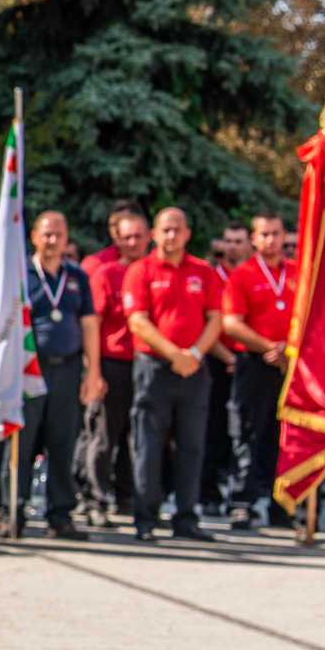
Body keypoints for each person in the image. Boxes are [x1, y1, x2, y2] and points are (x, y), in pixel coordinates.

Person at [0, 211, 104, 540]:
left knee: (63, 442)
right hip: (29, 367)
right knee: (22, 441)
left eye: (59, 234)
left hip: (68, 369)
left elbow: (89, 324)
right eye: (47, 234)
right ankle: (12, 511)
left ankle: (60, 515)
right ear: (34, 236)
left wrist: (93, 372)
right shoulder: (20, 273)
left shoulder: (77, 275)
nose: (53, 240)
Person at [123, 206, 224, 542]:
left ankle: (186, 517)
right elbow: (138, 320)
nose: (171, 235)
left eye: (177, 229)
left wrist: (194, 354)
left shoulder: (203, 271)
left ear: (187, 234)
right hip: (154, 367)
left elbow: (215, 318)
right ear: (155, 233)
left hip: (194, 369)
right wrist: (174, 354)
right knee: (148, 444)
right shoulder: (141, 271)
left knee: (192, 446)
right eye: (165, 229)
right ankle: (146, 518)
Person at [75, 203, 150, 525]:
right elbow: (92, 325)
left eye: (138, 236)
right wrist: (94, 371)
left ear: (150, 236)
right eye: (126, 237)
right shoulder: (105, 273)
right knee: (103, 437)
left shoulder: (153, 272)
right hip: (112, 363)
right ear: (117, 240)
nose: (132, 242)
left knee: (141, 438)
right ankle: (95, 500)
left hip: (148, 365)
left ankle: (131, 498)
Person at [223, 210, 293, 531]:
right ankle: (242, 502)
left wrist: (287, 349)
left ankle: (284, 506)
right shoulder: (243, 275)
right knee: (246, 434)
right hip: (254, 364)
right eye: (264, 234)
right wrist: (270, 348)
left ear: (284, 236)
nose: (270, 240)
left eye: (275, 233)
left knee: (287, 436)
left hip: (292, 365)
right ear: (254, 238)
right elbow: (232, 323)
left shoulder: (299, 273)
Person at [198, 223, 249, 516]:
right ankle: (208, 492)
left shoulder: (249, 275)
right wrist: (227, 356)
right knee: (212, 428)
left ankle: (242, 491)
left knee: (242, 430)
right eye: (226, 242)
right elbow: (207, 322)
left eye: (237, 241)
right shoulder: (211, 276)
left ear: (248, 245)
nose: (230, 247)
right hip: (215, 359)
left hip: (248, 360)